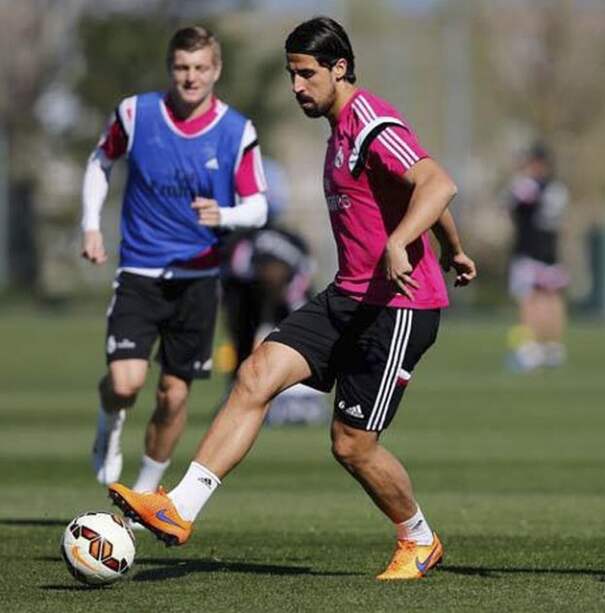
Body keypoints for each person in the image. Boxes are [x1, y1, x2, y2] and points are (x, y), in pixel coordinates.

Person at [108, 16, 476, 581]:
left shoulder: (371, 121)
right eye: (291, 74)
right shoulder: (339, 130)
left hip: (398, 308)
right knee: (256, 373)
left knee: (351, 446)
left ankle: (419, 539)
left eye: (307, 74)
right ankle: (179, 507)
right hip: (348, 296)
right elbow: (413, 189)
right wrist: (453, 248)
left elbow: (437, 182)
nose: (296, 86)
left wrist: (403, 242)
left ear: (340, 68)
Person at [80, 26, 268, 494]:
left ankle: (144, 493)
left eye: (200, 67)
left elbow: (258, 207)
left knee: (173, 395)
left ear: (216, 70)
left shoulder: (236, 131)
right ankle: (109, 422)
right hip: (140, 272)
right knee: (125, 384)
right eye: (182, 67)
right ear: (170, 68)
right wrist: (90, 225)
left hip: (198, 279)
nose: (191, 77)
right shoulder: (135, 113)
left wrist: (223, 214)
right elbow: (100, 162)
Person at [220, 159, 327, 425]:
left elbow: (274, 276)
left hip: (283, 346)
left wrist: (265, 324)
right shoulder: (292, 239)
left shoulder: (246, 242)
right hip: (303, 346)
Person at [505, 143, 569, 372]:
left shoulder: (528, 186)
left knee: (529, 300)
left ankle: (530, 349)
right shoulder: (557, 188)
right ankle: (552, 348)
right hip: (551, 252)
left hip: (528, 252)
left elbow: (513, 202)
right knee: (551, 299)